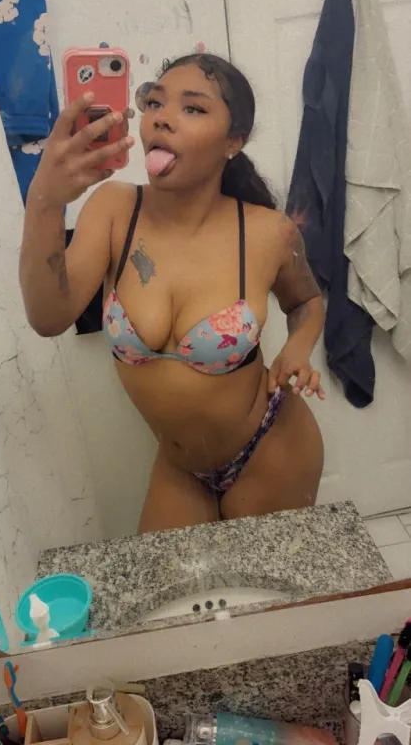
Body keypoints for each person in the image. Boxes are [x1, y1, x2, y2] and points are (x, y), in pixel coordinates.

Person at [20, 53, 325, 534]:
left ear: (233, 142)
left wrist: (298, 348)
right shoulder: (115, 209)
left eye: (193, 108)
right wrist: (45, 200)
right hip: (180, 468)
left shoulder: (270, 232)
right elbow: (47, 317)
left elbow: (307, 302)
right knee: (168, 585)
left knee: (266, 585)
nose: (162, 117)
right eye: (155, 102)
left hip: (271, 448)